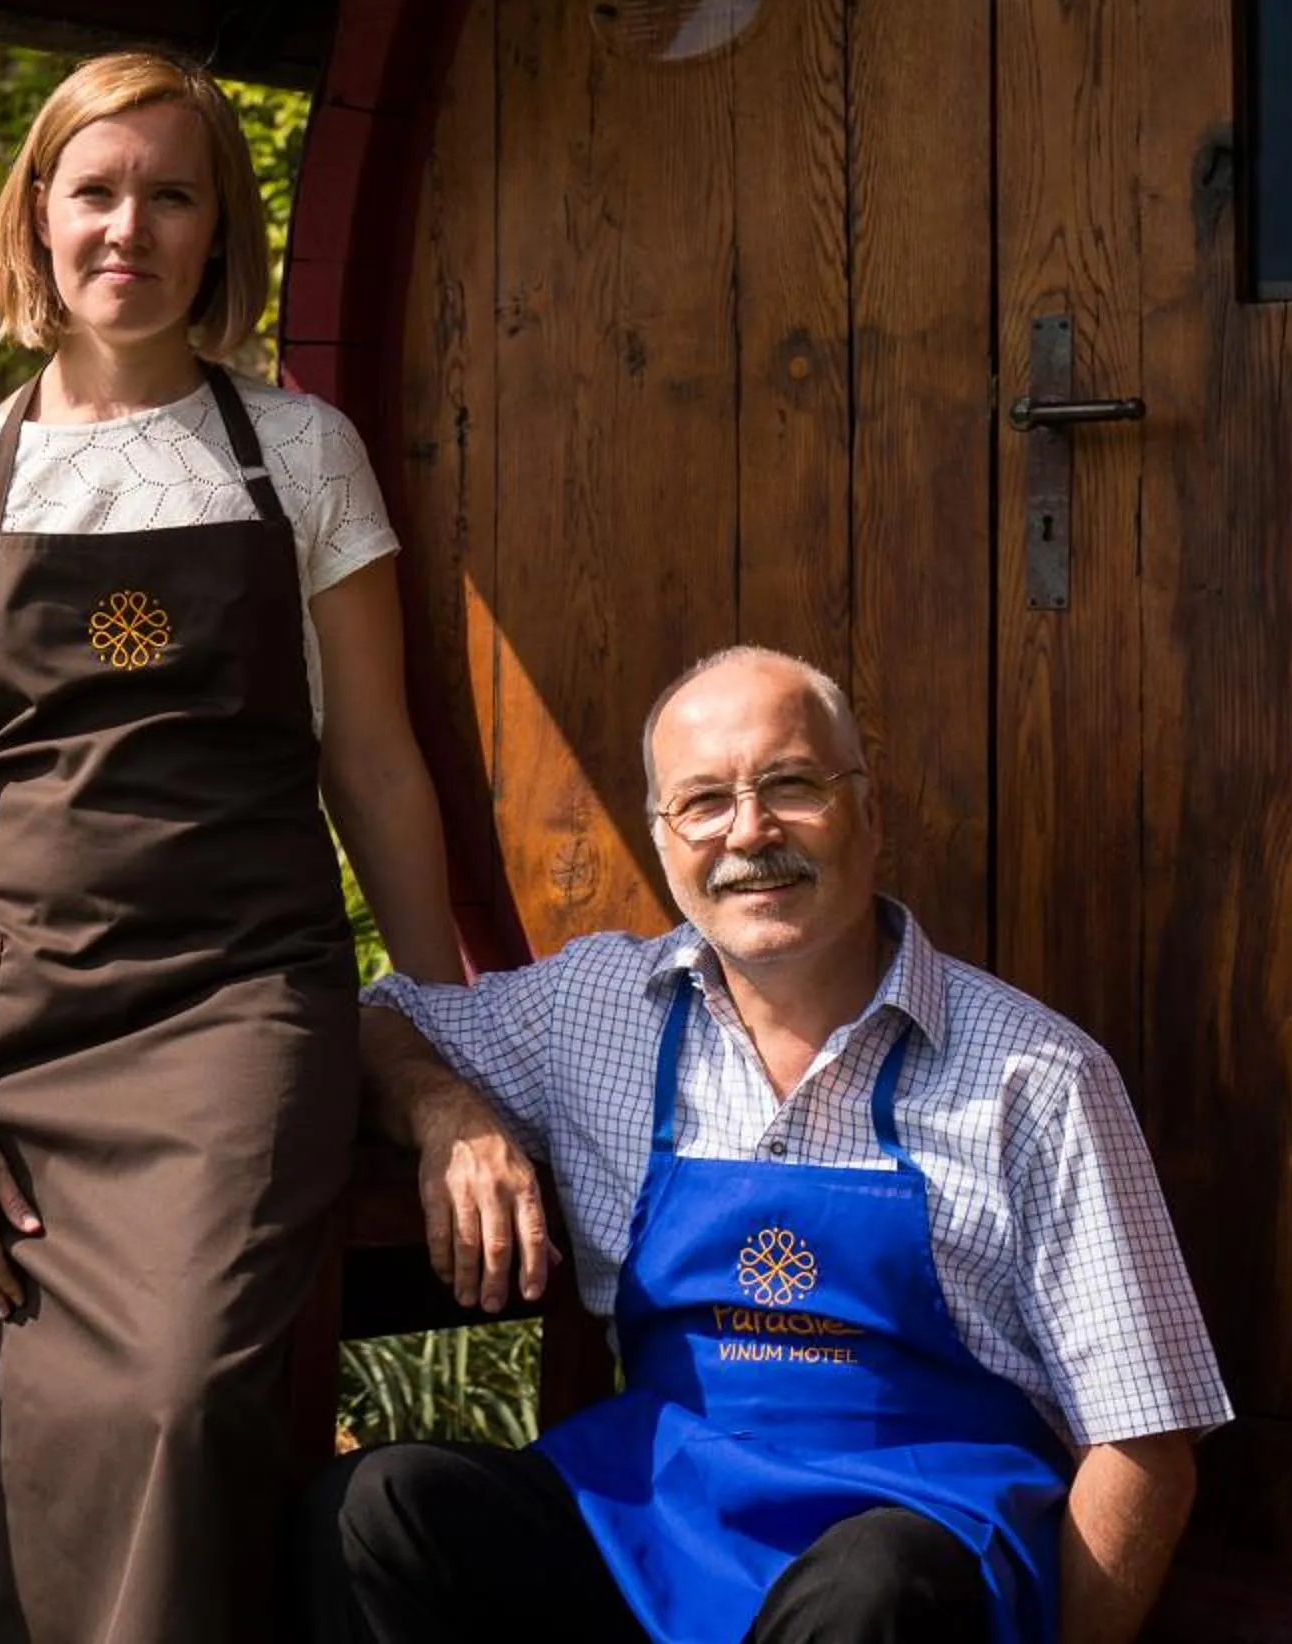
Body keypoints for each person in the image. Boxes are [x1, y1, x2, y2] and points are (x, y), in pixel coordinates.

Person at [0, 50, 460, 1643]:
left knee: (187, 1402)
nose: (129, 227)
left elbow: (378, 765)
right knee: (44, 1435)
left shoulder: (300, 451)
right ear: (37, 219)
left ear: (219, 233)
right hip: (25, 1031)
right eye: (96, 191)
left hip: (238, 1012)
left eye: (171, 193)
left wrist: (449, 1023)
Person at [305, 645, 1231, 1644]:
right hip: (656, 1531)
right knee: (379, 1508)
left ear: (869, 815)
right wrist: (448, 1110)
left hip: (907, 1558)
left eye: (791, 784)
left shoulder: (1035, 1075)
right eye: (705, 801)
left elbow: (1145, 1443)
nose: (749, 831)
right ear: (664, 840)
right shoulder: (596, 1008)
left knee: (875, 1582)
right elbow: (371, 1022)